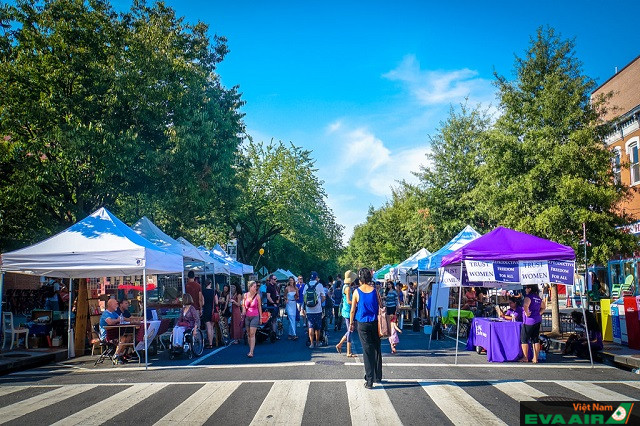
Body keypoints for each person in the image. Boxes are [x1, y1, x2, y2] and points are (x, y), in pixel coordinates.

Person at [350, 268, 382, 389]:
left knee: (367, 350)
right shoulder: (375, 290)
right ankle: (377, 375)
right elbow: (381, 305)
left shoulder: (357, 292)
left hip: (362, 322)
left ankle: (369, 380)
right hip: (375, 322)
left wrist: (352, 322)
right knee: (376, 348)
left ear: (360, 278)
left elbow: (353, 309)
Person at [99, 298, 131, 363]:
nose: (117, 305)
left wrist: (134, 319)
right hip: (106, 336)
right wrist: (117, 320)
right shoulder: (106, 313)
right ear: (111, 305)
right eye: (116, 304)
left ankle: (120, 354)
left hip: (114, 333)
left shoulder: (114, 313)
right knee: (123, 339)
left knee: (129, 337)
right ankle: (115, 356)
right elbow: (110, 322)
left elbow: (122, 318)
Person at [521, 284, 546, 363]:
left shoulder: (528, 297)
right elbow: (544, 307)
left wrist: (527, 312)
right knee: (535, 339)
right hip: (537, 320)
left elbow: (525, 305)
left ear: (530, 289)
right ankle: (535, 358)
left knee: (524, 339)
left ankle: (525, 357)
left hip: (529, 321)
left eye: (526, 288)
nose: (525, 290)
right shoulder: (538, 298)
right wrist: (539, 313)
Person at [336, 270, 357, 357]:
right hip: (348, 311)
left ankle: (340, 344)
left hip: (346, 310)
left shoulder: (345, 286)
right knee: (350, 330)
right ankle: (348, 351)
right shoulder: (347, 288)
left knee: (350, 330)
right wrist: (356, 302)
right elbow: (348, 301)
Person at [302, 271, 325, 349]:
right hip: (318, 309)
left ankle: (311, 343)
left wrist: (304, 308)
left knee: (310, 326)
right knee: (318, 327)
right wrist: (319, 302)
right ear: (316, 277)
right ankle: (317, 342)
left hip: (309, 310)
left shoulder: (306, 285)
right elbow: (323, 297)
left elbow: (304, 298)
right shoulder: (319, 285)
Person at [243, 281, 262, 358]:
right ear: (250, 287)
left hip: (255, 315)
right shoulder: (245, 295)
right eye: (254, 286)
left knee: (252, 333)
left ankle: (251, 351)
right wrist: (243, 310)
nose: (255, 288)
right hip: (247, 316)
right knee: (248, 334)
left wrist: (261, 317)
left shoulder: (257, 296)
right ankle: (250, 348)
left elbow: (259, 307)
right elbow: (243, 304)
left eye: (256, 286)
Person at [202, 279, 219, 349]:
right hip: (213, 310)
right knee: (212, 327)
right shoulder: (214, 291)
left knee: (208, 327)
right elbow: (217, 302)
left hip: (206, 310)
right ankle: (211, 342)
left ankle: (210, 343)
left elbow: (202, 302)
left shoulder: (203, 292)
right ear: (210, 283)